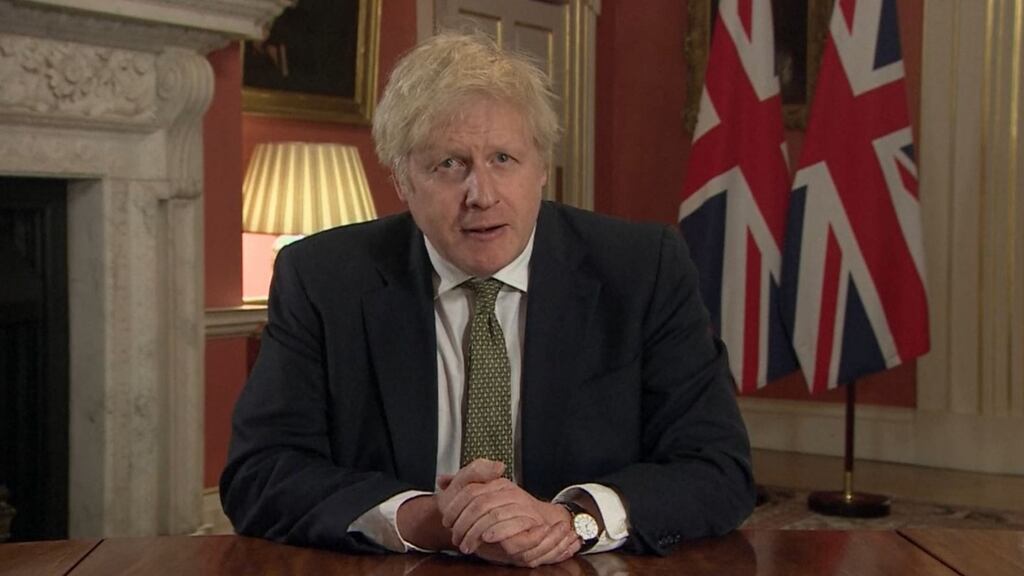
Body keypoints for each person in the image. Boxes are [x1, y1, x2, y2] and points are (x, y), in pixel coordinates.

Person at [220, 32, 755, 568]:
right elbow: (260, 472)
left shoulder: (642, 269)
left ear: (542, 167)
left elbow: (717, 466)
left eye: (504, 158)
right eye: (449, 164)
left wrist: (574, 520)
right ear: (402, 180)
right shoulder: (323, 278)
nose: (482, 195)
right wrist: (426, 519)